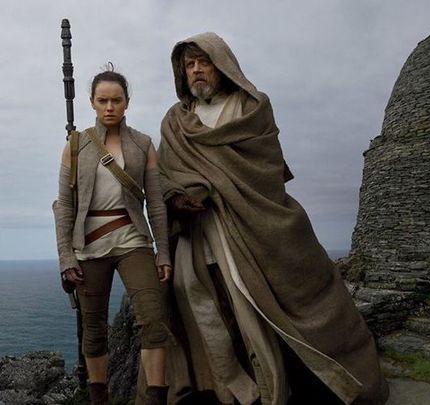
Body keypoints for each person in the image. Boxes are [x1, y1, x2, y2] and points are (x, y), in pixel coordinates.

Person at [158, 33, 389, 404]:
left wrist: (209, 187)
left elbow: (265, 167)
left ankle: (291, 386)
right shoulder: (175, 122)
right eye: (190, 64)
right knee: (215, 309)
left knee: (268, 305)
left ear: (223, 65)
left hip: (256, 226)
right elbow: (166, 173)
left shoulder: (251, 108)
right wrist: (179, 196)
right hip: (203, 236)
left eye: (205, 61)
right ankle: (233, 389)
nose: (197, 70)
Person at [53, 66, 173, 405]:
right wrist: (66, 257)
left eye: (116, 100)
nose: (109, 107)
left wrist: (162, 252)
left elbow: (157, 204)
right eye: (103, 100)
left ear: (126, 103)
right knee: (94, 331)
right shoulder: (75, 147)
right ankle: (99, 400)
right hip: (88, 247)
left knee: (153, 320)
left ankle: (155, 400)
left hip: (133, 240)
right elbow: (65, 206)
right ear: (92, 102)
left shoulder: (143, 145)